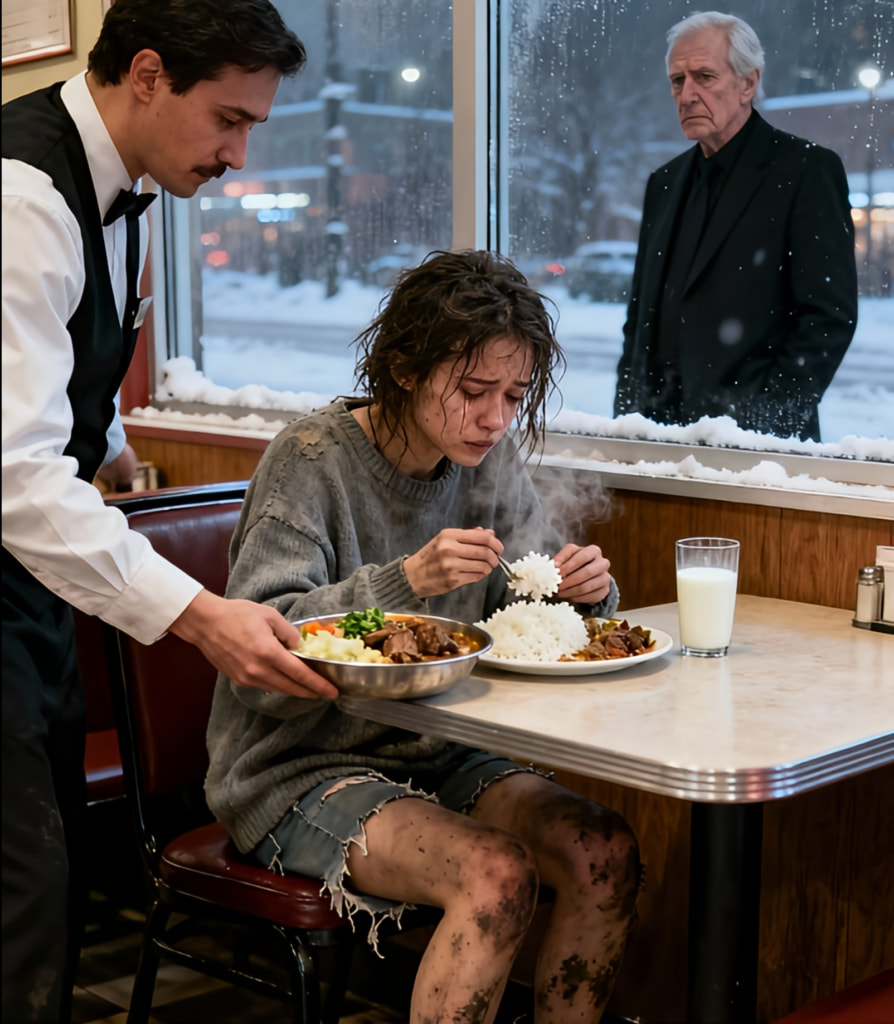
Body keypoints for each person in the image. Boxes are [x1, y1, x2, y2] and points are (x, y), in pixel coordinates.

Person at [1, 3, 339, 1021]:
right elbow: (15, 473)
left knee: (56, 870)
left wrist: (113, 453)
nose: (239, 155)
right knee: (22, 896)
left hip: (25, 586)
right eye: (229, 120)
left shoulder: (124, 192)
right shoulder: (21, 195)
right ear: (146, 74)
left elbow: (60, 374)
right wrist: (200, 615)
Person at [205, 250, 642, 1021]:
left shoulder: (488, 463)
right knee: (497, 876)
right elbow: (260, 658)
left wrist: (588, 593)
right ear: (404, 368)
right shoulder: (310, 461)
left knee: (602, 851)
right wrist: (405, 582)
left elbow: (529, 598)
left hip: (441, 750)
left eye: (514, 396)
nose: (496, 419)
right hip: (298, 767)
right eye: (474, 392)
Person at [613, 10, 858, 442]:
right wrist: (626, 424)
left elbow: (827, 320)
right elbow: (640, 322)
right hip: (656, 439)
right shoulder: (663, 184)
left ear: (748, 84)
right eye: (677, 80)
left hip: (757, 450)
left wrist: (763, 427)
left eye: (704, 76)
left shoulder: (806, 171)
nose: (687, 95)